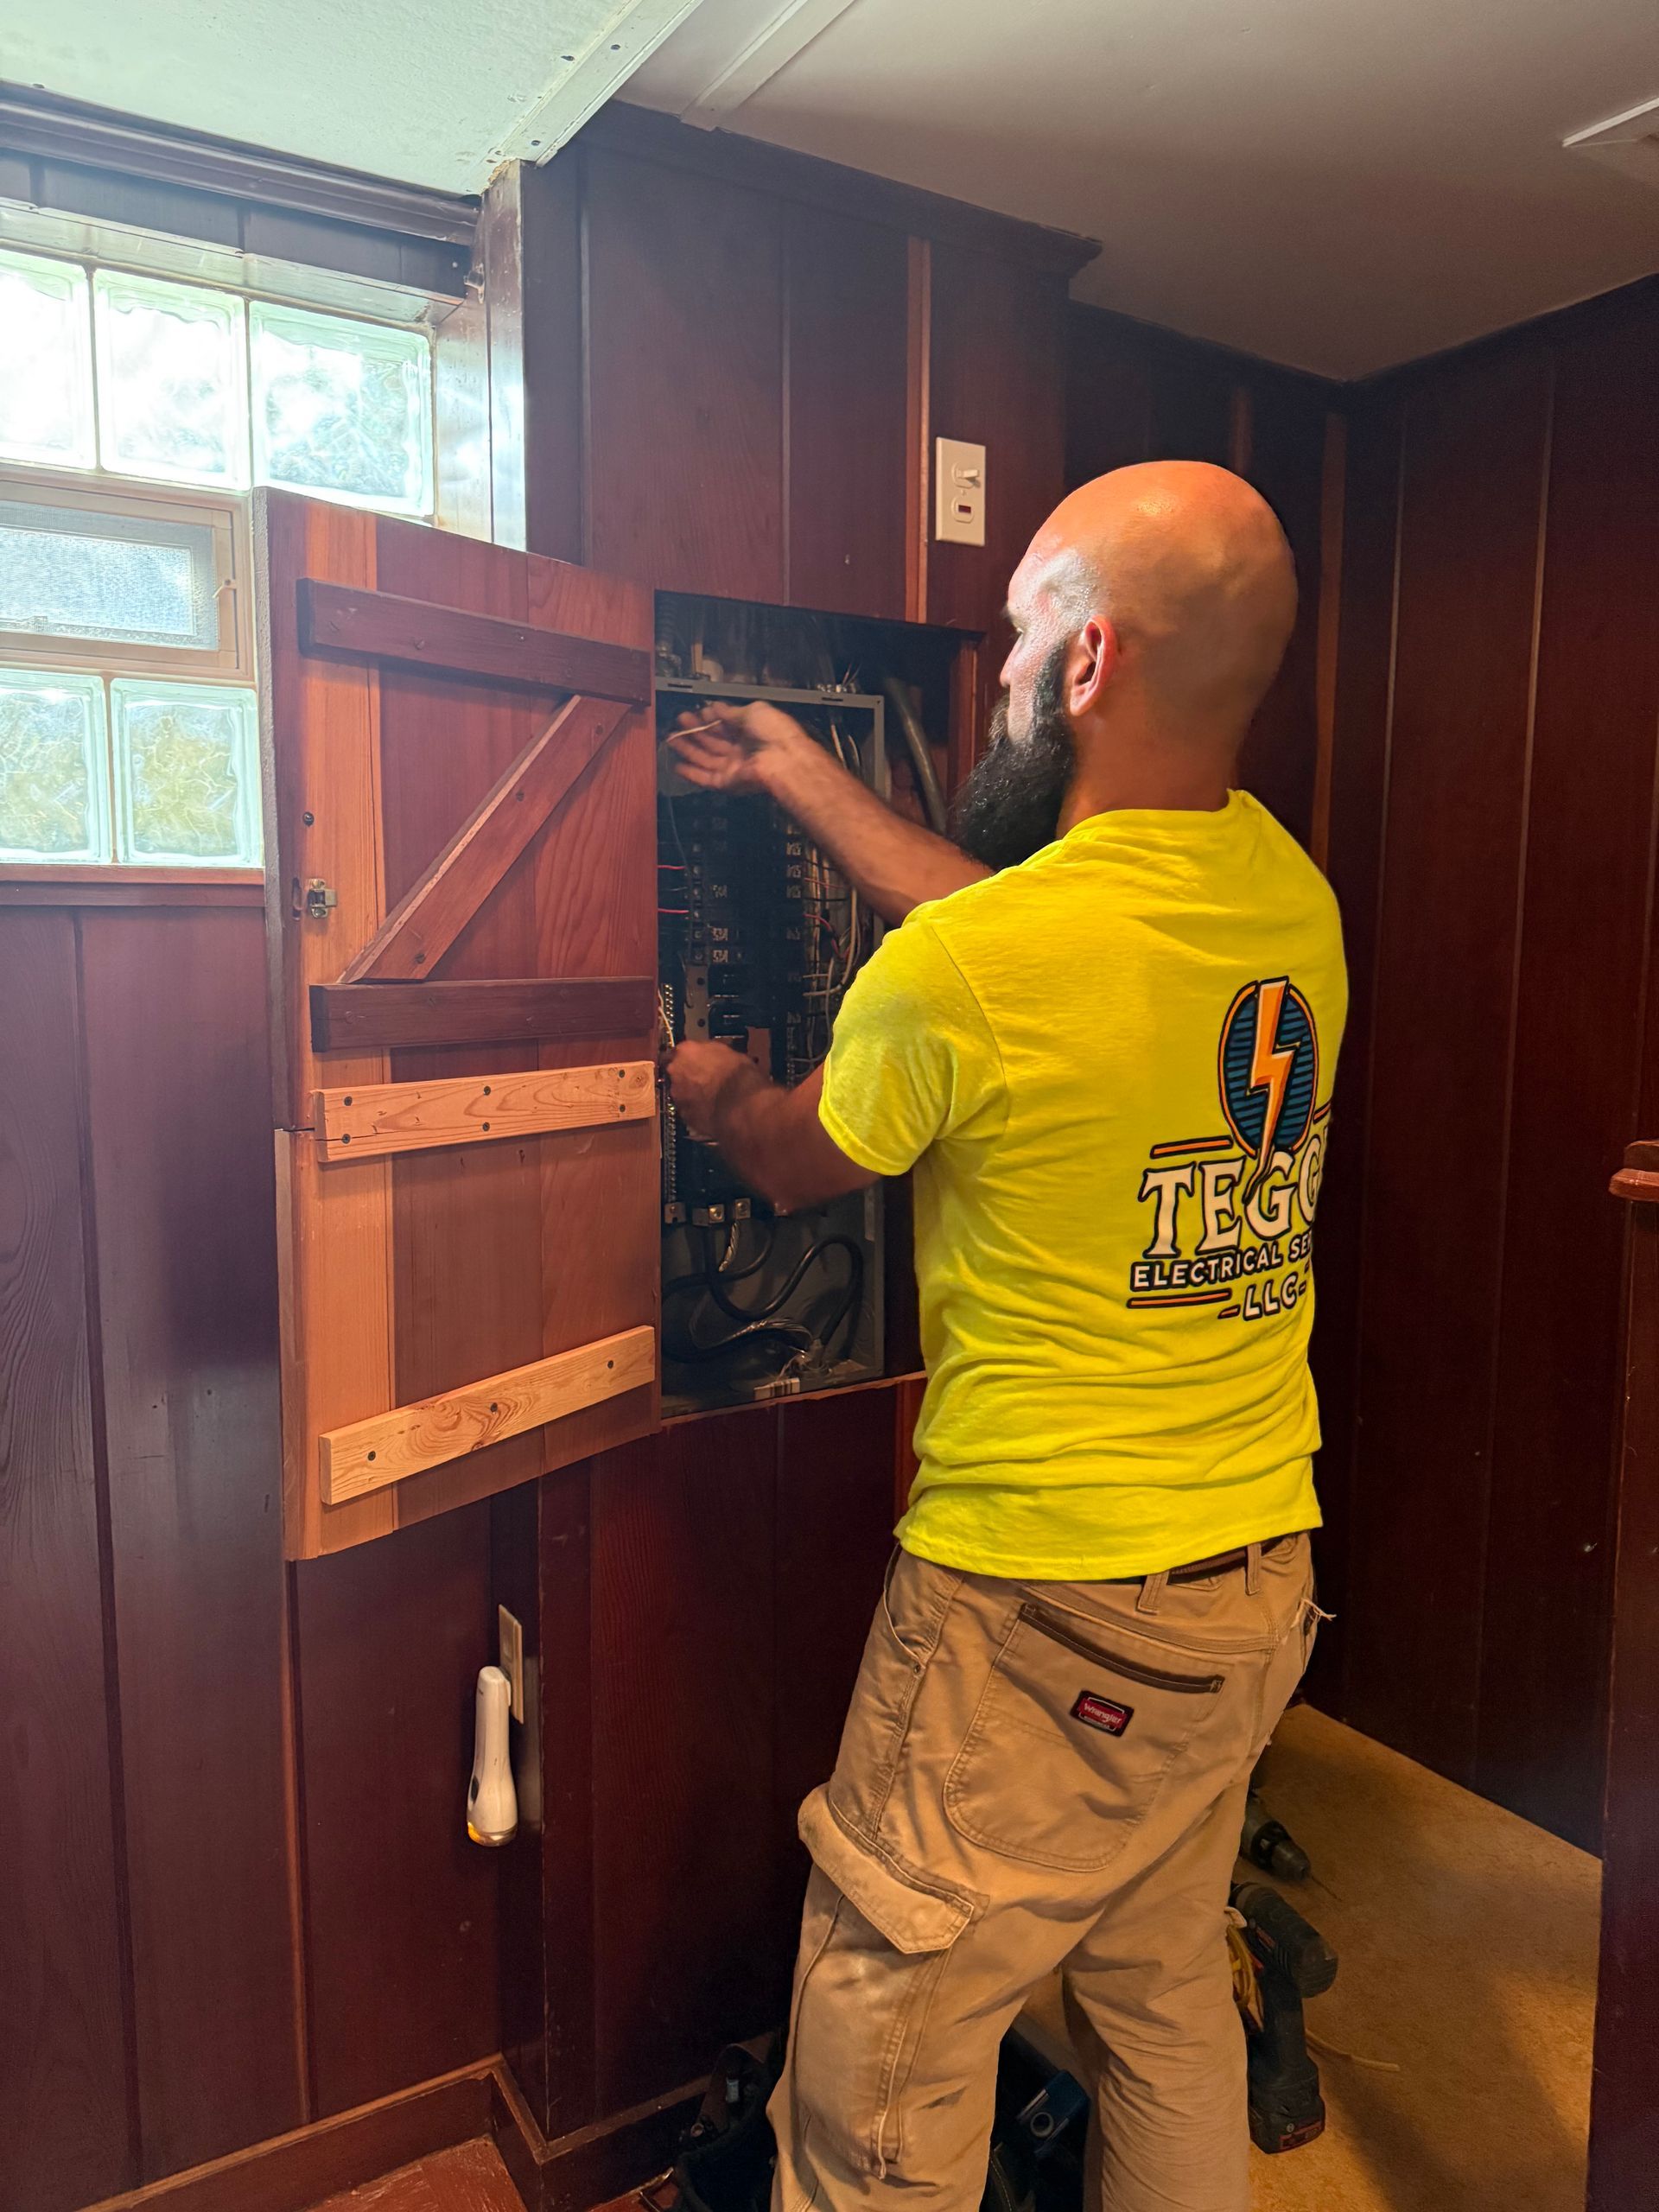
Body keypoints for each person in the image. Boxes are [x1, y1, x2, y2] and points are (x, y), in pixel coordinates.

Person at [665, 461, 1347, 2212]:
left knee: (894, 2036)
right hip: (1254, 1579)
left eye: (1024, 618)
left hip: (1038, 1617)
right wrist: (802, 770)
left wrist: (719, 1083)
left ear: (1093, 656)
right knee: (1164, 1995)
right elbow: (1006, 924)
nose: (996, 661)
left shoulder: (969, 973)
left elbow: (794, 1160)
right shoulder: (1284, 898)